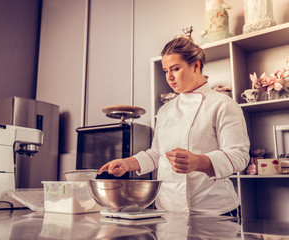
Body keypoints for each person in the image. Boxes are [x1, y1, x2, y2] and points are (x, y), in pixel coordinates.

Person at [99, 36, 250, 216]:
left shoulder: (223, 105)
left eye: (176, 69)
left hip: (214, 211)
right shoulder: (165, 111)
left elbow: (239, 155)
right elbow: (157, 154)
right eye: (165, 70)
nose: (169, 77)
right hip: (168, 210)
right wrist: (128, 164)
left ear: (195, 65)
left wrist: (198, 162)